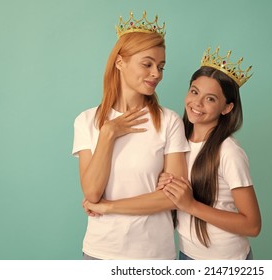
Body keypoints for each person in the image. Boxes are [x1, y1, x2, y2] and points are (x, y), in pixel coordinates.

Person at [84, 47, 262, 260]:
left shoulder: (228, 151)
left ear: (227, 108)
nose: (197, 103)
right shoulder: (181, 139)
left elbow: (252, 225)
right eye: (194, 92)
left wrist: (190, 205)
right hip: (188, 254)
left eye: (211, 99)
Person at [72, 11, 189, 260]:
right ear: (120, 62)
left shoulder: (169, 122)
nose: (156, 73)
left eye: (160, 66)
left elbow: (173, 198)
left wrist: (109, 207)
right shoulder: (87, 121)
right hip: (101, 252)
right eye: (147, 64)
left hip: (155, 254)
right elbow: (92, 193)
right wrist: (109, 133)